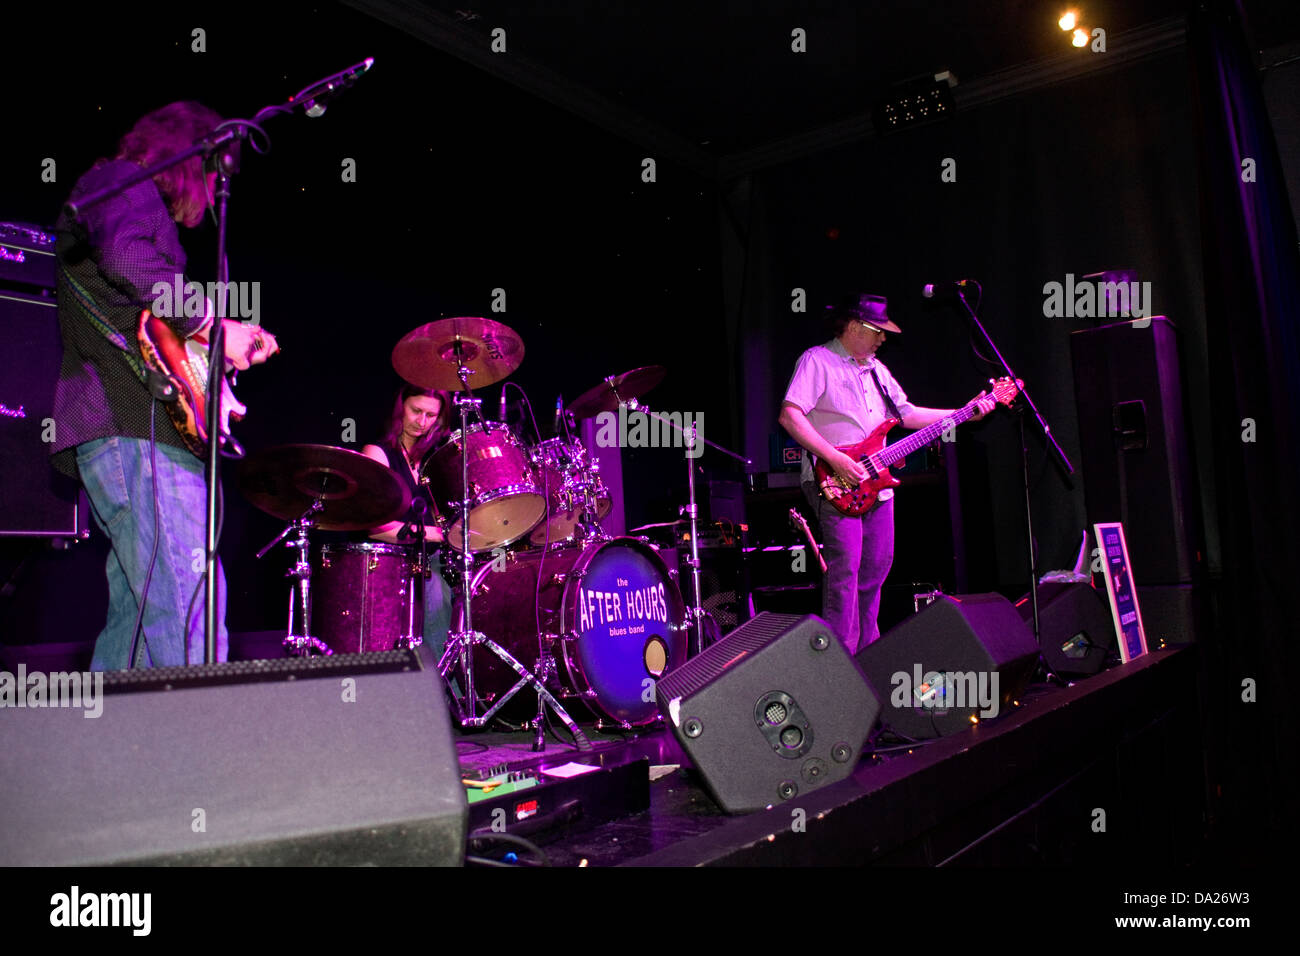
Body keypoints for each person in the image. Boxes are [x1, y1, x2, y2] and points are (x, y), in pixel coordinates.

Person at [50, 101, 279, 670]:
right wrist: (212, 324)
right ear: (192, 156)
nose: (212, 193)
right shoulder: (121, 181)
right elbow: (127, 262)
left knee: (137, 622)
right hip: (132, 426)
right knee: (189, 606)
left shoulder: (134, 203)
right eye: (214, 174)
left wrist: (214, 375)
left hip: (132, 430)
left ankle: (106, 754)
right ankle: (204, 752)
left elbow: (151, 327)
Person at [778, 293, 994, 654]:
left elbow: (906, 414)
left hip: (877, 486)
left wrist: (964, 412)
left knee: (875, 571)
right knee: (844, 575)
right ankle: (838, 667)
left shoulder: (877, 370)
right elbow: (790, 416)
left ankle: (870, 658)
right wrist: (837, 458)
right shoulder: (818, 360)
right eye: (877, 331)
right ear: (851, 327)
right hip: (834, 482)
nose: (883, 339)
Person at [359, 386, 455, 666]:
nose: (422, 422)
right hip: (391, 563)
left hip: (435, 559)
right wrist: (440, 534)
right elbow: (377, 527)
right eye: (416, 411)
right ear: (401, 407)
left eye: (431, 416)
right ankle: (446, 697)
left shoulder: (437, 460)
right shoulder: (377, 452)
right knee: (436, 597)